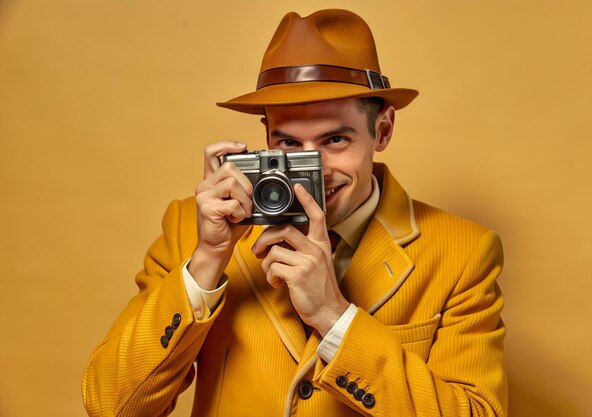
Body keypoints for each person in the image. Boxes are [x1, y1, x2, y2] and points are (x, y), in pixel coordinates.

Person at [82, 9, 506, 417]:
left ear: (383, 131)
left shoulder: (463, 253)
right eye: (287, 144)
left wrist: (334, 315)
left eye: (335, 140)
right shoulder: (188, 227)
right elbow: (112, 406)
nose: (311, 173)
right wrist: (207, 263)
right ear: (266, 135)